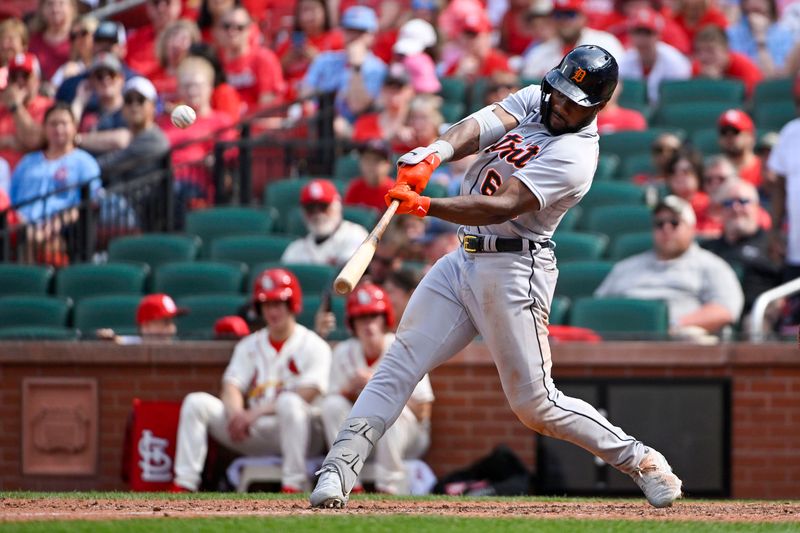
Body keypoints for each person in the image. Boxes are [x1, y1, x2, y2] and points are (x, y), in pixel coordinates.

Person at [310, 45, 683, 510]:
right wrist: (435, 152)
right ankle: (337, 471)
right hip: (461, 260)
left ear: (597, 107)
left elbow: (501, 205)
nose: (561, 106)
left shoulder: (576, 156)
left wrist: (426, 206)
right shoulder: (538, 97)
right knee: (399, 360)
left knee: (536, 405)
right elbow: (481, 126)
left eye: (575, 103)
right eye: (560, 94)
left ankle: (642, 460)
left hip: (515, 269)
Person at [172, 268, 331, 493]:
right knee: (196, 402)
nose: (272, 311)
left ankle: (293, 484)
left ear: (292, 304)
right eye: (267, 304)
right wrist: (237, 414)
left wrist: (253, 413)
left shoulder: (314, 344)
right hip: (256, 429)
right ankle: (184, 484)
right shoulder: (249, 345)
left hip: (304, 434)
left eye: (278, 303)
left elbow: (309, 392)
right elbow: (231, 385)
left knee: (290, 403)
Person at [321, 282, 433, 494]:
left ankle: (389, 488)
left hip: (409, 436)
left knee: (392, 413)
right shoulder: (344, 351)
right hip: (363, 437)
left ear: (384, 319)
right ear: (352, 323)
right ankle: (348, 483)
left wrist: (380, 387)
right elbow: (329, 406)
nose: (368, 325)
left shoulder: (403, 347)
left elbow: (423, 412)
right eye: (361, 317)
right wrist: (349, 391)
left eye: (373, 316)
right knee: (332, 405)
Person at [595, 195, 744, 336]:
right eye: (659, 224)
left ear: (691, 229)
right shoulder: (626, 267)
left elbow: (726, 309)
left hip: (680, 345)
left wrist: (671, 325)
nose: (666, 229)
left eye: (674, 223)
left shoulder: (711, 265)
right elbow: (598, 308)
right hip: (623, 343)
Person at [701, 179, 782, 317]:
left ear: (757, 207)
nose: (736, 208)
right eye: (729, 203)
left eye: (743, 202)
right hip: (712, 316)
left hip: (757, 318)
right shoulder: (707, 249)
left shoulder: (774, 245)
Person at [10, 102, 99, 223]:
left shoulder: (85, 163)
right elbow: (11, 199)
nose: (58, 129)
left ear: (74, 127)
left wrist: (54, 227)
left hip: (64, 231)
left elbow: (89, 202)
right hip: (19, 229)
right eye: (53, 124)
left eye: (64, 123)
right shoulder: (27, 162)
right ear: (44, 128)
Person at [302, 6, 387, 125]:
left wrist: (356, 67)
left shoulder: (378, 68)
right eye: (350, 30)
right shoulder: (325, 60)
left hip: (353, 132)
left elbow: (357, 106)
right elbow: (305, 94)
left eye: (360, 32)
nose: (354, 37)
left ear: (372, 36)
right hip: (320, 127)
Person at [765, 77, 800, 327]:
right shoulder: (791, 132)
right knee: (792, 332)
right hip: (797, 254)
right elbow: (778, 187)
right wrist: (775, 230)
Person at [520, 0, 624, 79]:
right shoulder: (540, 51)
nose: (563, 20)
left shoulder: (605, 42)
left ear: (584, 17)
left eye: (570, 14)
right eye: (558, 15)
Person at [214, 6, 286, 116]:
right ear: (218, 30)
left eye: (240, 27)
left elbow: (268, 106)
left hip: (254, 127)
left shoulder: (263, 58)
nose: (232, 31)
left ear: (250, 30)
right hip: (223, 126)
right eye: (226, 26)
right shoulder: (214, 60)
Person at [96, 76, 169, 183]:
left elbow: (111, 164)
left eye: (140, 100)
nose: (134, 105)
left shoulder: (155, 139)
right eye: (129, 100)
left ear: (153, 106)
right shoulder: (123, 133)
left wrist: (86, 167)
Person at [281, 178, 368, 266]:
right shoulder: (295, 250)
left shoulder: (355, 235)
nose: (318, 214)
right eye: (310, 208)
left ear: (337, 207)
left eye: (323, 206)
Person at [618, 6, 692, 104]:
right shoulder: (624, 61)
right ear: (630, 35)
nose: (642, 39)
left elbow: (679, 98)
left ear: (658, 36)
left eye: (647, 33)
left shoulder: (675, 61)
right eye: (638, 32)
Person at [0, 52, 52, 170]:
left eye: (25, 76)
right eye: (14, 77)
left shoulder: (48, 106)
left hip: (31, 174)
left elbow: (34, 141)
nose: (20, 81)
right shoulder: (1, 107)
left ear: (37, 79)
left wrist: (16, 106)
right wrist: (10, 142)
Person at [71, 53, 130, 157]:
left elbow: (122, 139)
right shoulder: (87, 110)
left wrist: (77, 139)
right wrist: (79, 101)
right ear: (91, 81)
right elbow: (65, 131)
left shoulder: (131, 107)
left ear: (121, 79)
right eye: (99, 76)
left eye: (111, 74)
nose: (106, 80)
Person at [727, 0, 795, 77]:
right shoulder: (731, 33)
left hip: (769, 86)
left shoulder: (784, 35)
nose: (755, 2)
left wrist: (761, 38)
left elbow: (773, 76)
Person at [664, 148, 722, 238]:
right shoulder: (665, 207)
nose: (679, 175)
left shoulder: (710, 204)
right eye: (673, 171)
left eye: (686, 171)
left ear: (698, 174)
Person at [692, 25, 764, 97]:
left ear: (726, 50)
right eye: (699, 51)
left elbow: (752, 97)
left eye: (710, 50)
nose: (704, 56)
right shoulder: (698, 67)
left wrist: (718, 82)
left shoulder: (744, 67)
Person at [125, 0, 183, 78]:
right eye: (156, 2)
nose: (161, 9)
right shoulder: (133, 40)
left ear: (179, 5)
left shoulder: (190, 39)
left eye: (168, 2)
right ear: (148, 7)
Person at [27, 0, 78, 82]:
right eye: (50, 4)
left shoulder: (81, 38)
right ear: (42, 9)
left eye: (61, 4)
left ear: (72, 8)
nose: (55, 9)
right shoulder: (33, 41)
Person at [344, 140, 396, 213]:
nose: (370, 165)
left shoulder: (393, 191)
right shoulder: (355, 187)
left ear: (389, 165)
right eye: (366, 159)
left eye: (377, 160)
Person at [717, 109, 764, 188]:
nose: (729, 136)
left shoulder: (763, 170)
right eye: (724, 132)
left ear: (751, 137)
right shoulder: (713, 174)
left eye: (735, 131)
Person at [50, 15, 98, 91]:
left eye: (83, 33)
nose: (78, 39)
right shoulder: (67, 69)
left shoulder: (109, 61)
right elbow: (51, 94)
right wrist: (66, 82)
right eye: (74, 36)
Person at [0, 18, 28, 92]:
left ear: (23, 45)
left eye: (10, 40)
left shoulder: (31, 68)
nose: (4, 45)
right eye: (1, 40)